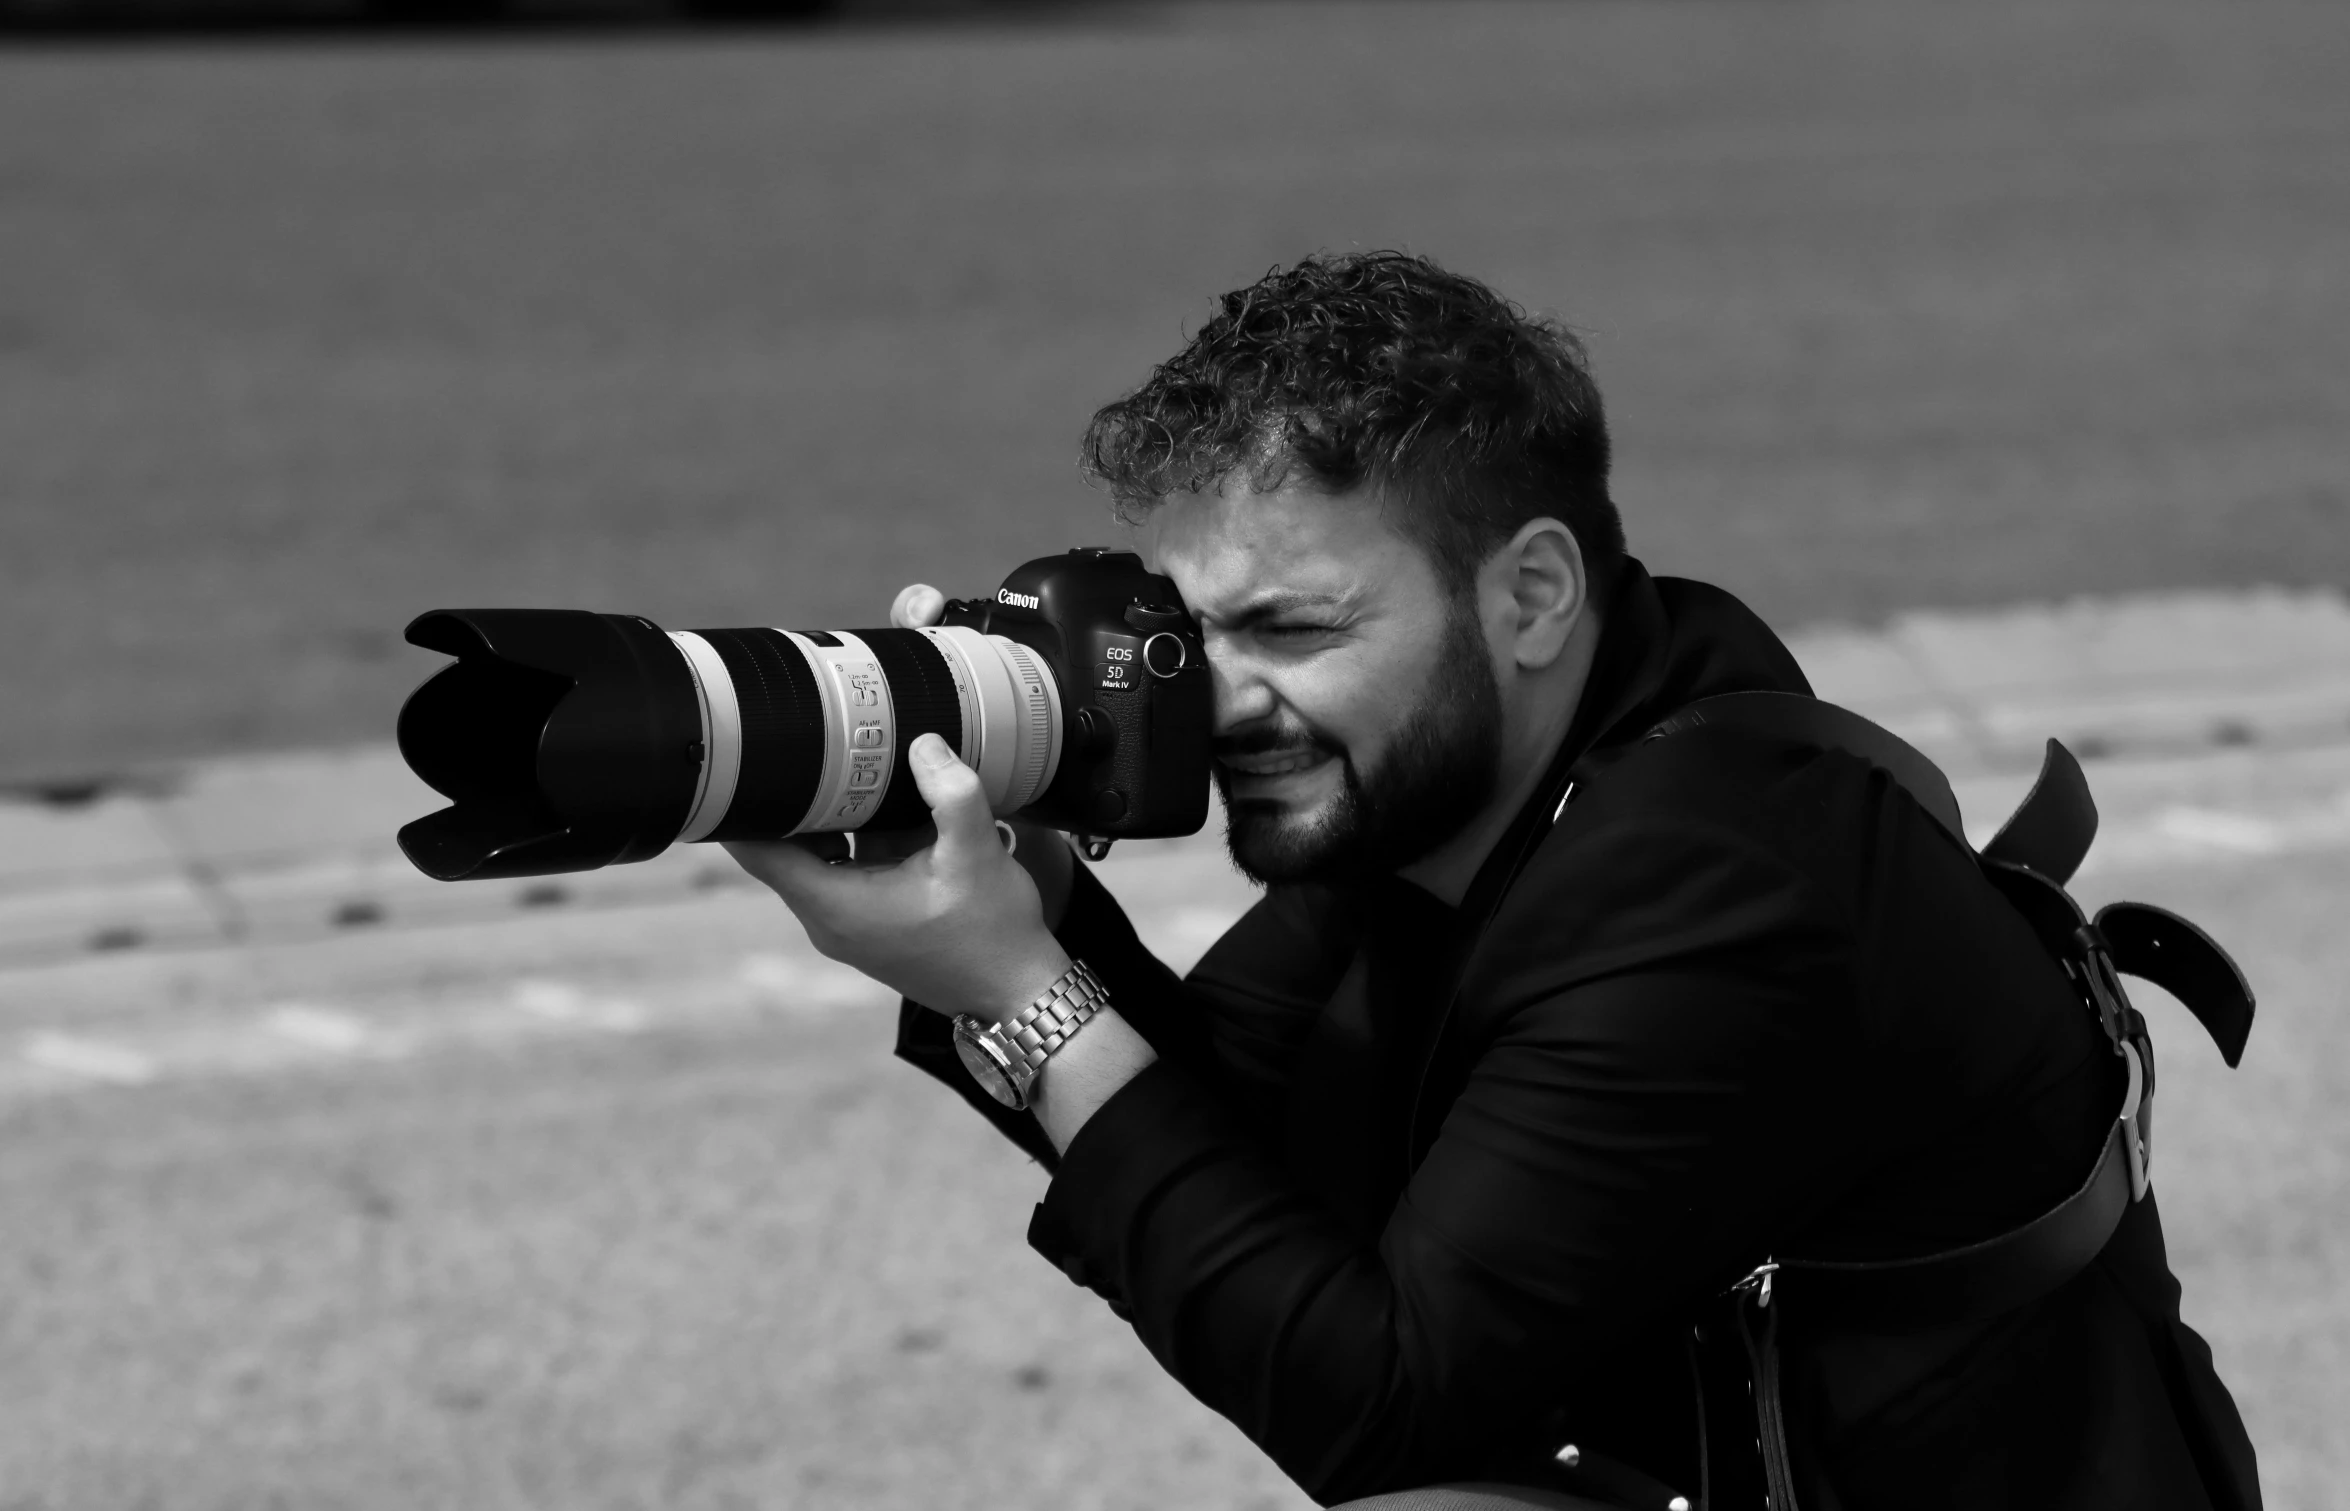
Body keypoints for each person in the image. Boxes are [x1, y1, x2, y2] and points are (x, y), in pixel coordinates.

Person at [727, 252, 2262, 1510]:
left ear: (1528, 592)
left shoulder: (1722, 876)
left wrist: (1020, 993)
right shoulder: (1490, 754)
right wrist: (1032, 902)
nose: (1221, 701)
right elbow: (1240, 1142)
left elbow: (1375, 1403)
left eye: (1295, 628)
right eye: (1197, 638)